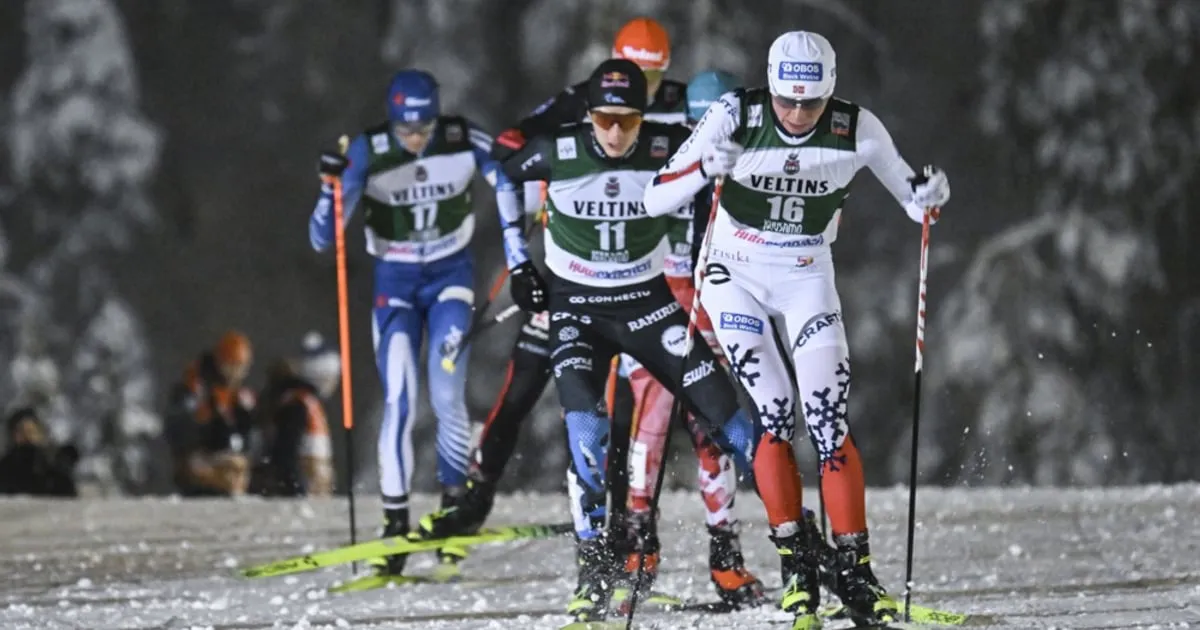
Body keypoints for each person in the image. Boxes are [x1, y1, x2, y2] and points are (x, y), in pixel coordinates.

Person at [643, 31, 952, 629]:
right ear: (771, 86)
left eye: (810, 105)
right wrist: (705, 167)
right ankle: (796, 571)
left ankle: (857, 574)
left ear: (830, 95)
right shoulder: (736, 114)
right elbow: (658, 196)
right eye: (787, 101)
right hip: (735, 275)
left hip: (808, 272)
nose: (796, 115)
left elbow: (913, 202)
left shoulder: (857, 128)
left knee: (830, 417)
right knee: (776, 410)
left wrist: (931, 195)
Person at [493, 58, 778, 624]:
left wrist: (730, 164)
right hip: (578, 308)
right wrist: (518, 262)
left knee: (733, 421)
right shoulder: (561, 149)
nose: (616, 132)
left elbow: (744, 162)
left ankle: (797, 545)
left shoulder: (666, 145)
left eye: (628, 119)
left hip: (649, 305)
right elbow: (505, 173)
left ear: (644, 116)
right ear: (590, 114)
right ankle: (596, 570)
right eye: (604, 118)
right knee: (588, 433)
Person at [309, 69, 518, 577]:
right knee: (400, 396)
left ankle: (452, 512)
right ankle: (395, 524)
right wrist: (329, 189)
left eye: (423, 127)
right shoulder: (369, 149)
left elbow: (509, 174)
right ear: (392, 123)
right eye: (407, 131)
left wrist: (518, 246)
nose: (417, 140)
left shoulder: (459, 137)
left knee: (447, 394)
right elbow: (322, 237)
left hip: (450, 277)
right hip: (395, 286)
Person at [617, 66, 767, 606]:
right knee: (649, 424)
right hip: (656, 295)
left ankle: (725, 557)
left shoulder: (749, 157)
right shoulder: (663, 148)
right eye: (697, 122)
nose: (708, 132)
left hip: (712, 296)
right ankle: (637, 547)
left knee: (712, 428)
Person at [165, 330, 256, 497]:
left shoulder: (240, 396)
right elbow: (180, 427)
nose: (236, 373)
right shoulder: (195, 388)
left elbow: (250, 430)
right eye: (232, 366)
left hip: (229, 459)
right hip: (203, 459)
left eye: (241, 368)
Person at [250, 332, 339, 498]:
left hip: (312, 493)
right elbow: (285, 453)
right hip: (304, 495)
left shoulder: (302, 402)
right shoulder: (298, 404)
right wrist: (297, 490)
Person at [0, 408, 79, 497]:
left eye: (31, 431)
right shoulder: (6, 468)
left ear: (40, 434)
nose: (27, 437)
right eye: (21, 432)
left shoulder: (53, 466)